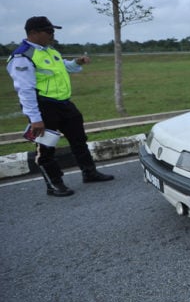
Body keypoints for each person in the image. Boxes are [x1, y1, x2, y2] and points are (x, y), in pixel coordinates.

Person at [6, 16, 114, 197]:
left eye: (53, 31)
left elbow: (64, 67)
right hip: (44, 107)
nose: (52, 35)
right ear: (33, 33)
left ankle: (89, 172)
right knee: (46, 148)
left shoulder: (50, 51)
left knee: (79, 139)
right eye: (48, 31)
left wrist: (76, 63)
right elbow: (25, 90)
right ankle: (54, 184)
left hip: (64, 104)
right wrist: (35, 119)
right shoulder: (22, 56)